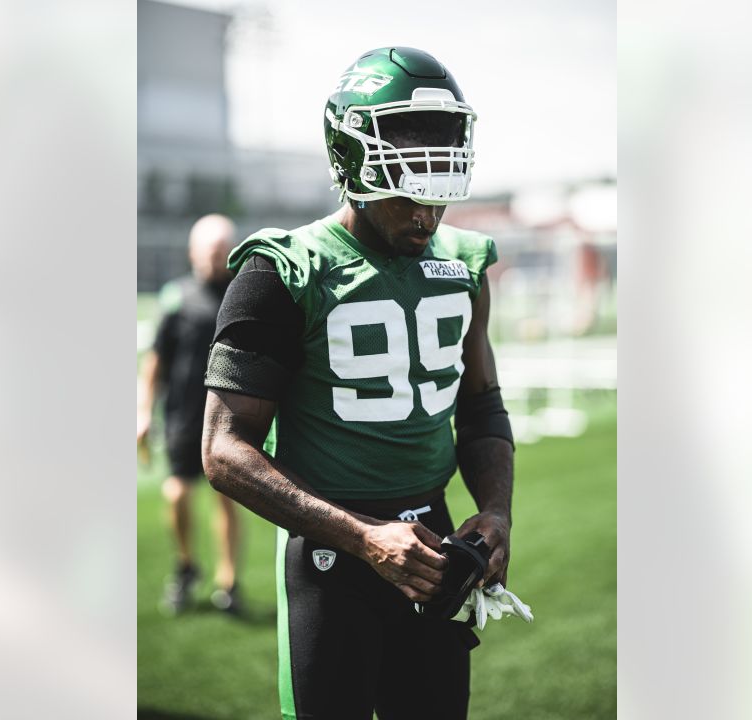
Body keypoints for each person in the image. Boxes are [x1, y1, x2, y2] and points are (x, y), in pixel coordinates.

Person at [201, 48, 515, 719]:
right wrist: (363, 535)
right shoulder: (282, 271)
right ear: (352, 160)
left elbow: (481, 404)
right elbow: (224, 451)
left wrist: (496, 511)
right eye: (405, 184)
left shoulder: (464, 262)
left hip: (433, 546)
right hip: (331, 556)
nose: (425, 211)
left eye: (437, 183)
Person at [137, 213, 243, 614]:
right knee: (178, 493)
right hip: (184, 415)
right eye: (207, 248)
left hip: (232, 415)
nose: (214, 256)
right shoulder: (176, 296)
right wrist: (144, 411)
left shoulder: (242, 292)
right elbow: (155, 361)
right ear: (193, 251)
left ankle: (229, 582)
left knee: (229, 497)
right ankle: (186, 566)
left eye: (220, 249)